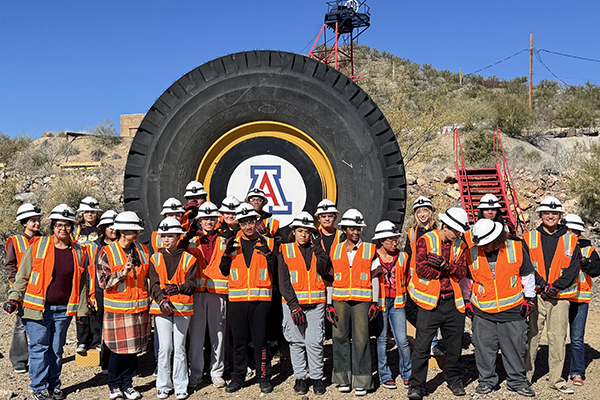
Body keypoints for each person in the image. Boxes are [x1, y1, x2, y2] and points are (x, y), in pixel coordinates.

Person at [4, 204, 89, 400]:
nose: (63, 229)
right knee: (39, 348)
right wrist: (13, 297)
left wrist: (82, 311)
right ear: (53, 226)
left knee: (56, 349)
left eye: (68, 225)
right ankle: (39, 387)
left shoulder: (78, 251)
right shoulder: (38, 245)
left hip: (63, 310)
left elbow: (82, 283)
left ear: (72, 227)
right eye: (59, 225)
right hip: (37, 309)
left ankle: (54, 384)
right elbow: (22, 275)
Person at [466, 219, 536, 397]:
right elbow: (467, 280)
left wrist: (529, 299)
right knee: (483, 348)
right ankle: (486, 381)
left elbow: (527, 274)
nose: (484, 247)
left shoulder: (516, 248)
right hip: (482, 310)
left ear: (497, 238)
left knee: (515, 347)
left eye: (487, 244)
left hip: (512, 309)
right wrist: (467, 301)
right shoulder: (472, 253)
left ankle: (517, 382)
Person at [407, 207, 469, 400]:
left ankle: (454, 379)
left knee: (454, 346)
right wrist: (447, 270)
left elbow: (461, 272)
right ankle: (416, 385)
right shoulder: (425, 240)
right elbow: (421, 270)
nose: (458, 235)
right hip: (430, 303)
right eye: (456, 231)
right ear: (446, 226)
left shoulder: (460, 245)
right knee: (422, 347)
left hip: (453, 302)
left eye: (460, 232)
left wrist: (444, 266)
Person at [524, 197, 580, 395]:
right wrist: (541, 285)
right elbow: (526, 266)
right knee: (532, 336)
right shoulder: (528, 237)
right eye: (547, 213)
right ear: (540, 215)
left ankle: (556, 380)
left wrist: (555, 287)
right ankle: (526, 376)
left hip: (560, 297)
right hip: (537, 295)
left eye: (554, 213)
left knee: (557, 338)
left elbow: (573, 269)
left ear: (560, 216)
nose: (550, 216)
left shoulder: (571, 239)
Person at [219, 203, 277, 394]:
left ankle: (264, 377)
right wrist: (227, 254)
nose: (247, 226)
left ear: (256, 221)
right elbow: (223, 270)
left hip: (261, 301)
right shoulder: (232, 242)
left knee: (261, 341)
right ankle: (238, 377)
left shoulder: (268, 242)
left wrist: (268, 254)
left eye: (250, 221)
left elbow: (275, 269)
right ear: (240, 224)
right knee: (239, 342)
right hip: (237, 301)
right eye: (243, 223)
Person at [97, 211, 151, 400]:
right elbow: (102, 282)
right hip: (118, 311)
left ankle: (127, 384)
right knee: (117, 352)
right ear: (122, 231)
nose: (137, 233)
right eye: (133, 230)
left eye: (137, 230)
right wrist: (122, 272)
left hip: (138, 309)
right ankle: (114, 385)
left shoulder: (143, 250)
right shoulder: (107, 252)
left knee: (132, 352)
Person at [327, 209, 381, 396]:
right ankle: (343, 379)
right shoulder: (335, 250)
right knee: (340, 337)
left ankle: (361, 380)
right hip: (340, 300)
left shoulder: (369, 249)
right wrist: (328, 304)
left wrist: (375, 302)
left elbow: (375, 277)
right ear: (344, 229)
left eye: (358, 229)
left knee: (361, 339)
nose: (356, 232)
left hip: (362, 301)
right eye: (352, 228)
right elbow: (329, 278)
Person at [278, 212, 329, 396]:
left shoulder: (318, 249)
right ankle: (300, 378)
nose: (304, 235)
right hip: (293, 305)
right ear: (294, 231)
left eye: (307, 232)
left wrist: (318, 249)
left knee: (315, 343)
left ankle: (316, 378)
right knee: (296, 343)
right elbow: (283, 281)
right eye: (300, 231)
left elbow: (325, 270)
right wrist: (293, 305)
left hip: (315, 305)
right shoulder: (285, 249)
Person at [149, 217, 197, 400]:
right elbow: (153, 285)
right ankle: (163, 386)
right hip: (161, 308)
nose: (166, 240)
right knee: (164, 348)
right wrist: (162, 300)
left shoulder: (189, 258)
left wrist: (179, 288)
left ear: (179, 237)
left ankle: (180, 386)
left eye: (170, 236)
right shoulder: (155, 258)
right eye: (163, 236)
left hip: (182, 309)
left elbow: (192, 285)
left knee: (179, 348)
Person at [187, 202, 228, 389]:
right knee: (196, 336)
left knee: (218, 334)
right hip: (196, 293)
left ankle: (217, 372)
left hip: (218, 293)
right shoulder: (192, 241)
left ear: (217, 220)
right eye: (205, 218)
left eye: (212, 218)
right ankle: (196, 372)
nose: (209, 222)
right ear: (200, 220)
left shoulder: (224, 240)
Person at [371, 220, 412, 390]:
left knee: (402, 341)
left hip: (398, 302)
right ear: (381, 240)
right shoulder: (372, 256)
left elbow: (408, 278)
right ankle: (385, 375)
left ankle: (407, 374)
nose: (395, 242)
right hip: (380, 304)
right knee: (381, 340)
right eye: (391, 239)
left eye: (396, 239)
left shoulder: (403, 256)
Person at [562, 214, 600, 386]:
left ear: (578, 232)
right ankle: (558, 371)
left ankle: (577, 372)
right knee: (558, 336)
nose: (571, 233)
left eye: (574, 230)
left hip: (580, 298)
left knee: (577, 338)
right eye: (568, 230)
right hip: (561, 298)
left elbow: (595, 270)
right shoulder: (557, 247)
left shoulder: (589, 250)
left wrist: (583, 260)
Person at [4, 203, 43, 374]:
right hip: (22, 290)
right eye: (33, 221)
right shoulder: (14, 241)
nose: (37, 224)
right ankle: (19, 360)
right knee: (21, 324)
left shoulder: (43, 240)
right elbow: (10, 265)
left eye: (38, 220)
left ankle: (38, 358)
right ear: (24, 222)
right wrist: (15, 284)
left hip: (40, 289)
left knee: (40, 323)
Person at [403, 196, 440, 354]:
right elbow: (407, 254)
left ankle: (433, 344)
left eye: (425, 211)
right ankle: (425, 342)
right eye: (419, 211)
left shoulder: (437, 231)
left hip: (434, 277)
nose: (422, 214)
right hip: (416, 279)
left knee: (434, 311)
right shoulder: (412, 232)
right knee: (420, 313)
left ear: (431, 213)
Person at [88, 209, 118, 373]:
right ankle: (105, 362)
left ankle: (113, 363)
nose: (113, 229)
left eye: (116, 226)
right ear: (103, 228)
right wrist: (89, 294)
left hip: (118, 293)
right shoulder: (94, 247)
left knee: (115, 328)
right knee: (101, 328)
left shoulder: (123, 246)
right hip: (99, 291)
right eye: (110, 226)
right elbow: (88, 272)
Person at [74, 196, 103, 354]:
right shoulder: (75, 230)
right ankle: (82, 340)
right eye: (87, 211)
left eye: (93, 211)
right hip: (80, 273)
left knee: (95, 306)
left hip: (96, 272)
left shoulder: (101, 229)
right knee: (81, 306)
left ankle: (97, 341)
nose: (90, 214)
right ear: (82, 213)